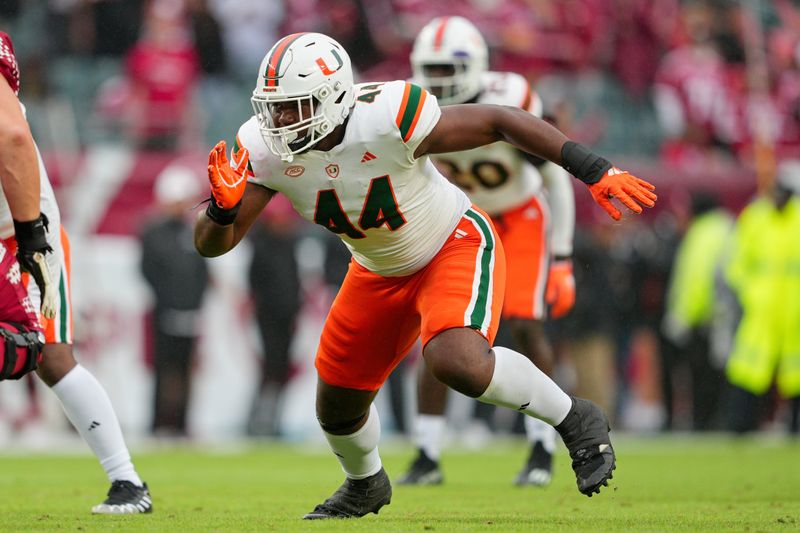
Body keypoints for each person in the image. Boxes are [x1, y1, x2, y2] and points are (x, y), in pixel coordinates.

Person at [194, 32, 656, 519]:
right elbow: (213, 246)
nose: (280, 120)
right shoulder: (264, 148)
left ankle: (574, 418)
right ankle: (365, 484)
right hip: (375, 268)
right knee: (336, 405)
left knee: (455, 358)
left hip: (449, 243)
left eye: (294, 106)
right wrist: (221, 213)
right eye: (275, 107)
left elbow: (500, 121)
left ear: (332, 96)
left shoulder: (387, 114)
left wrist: (594, 169)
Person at [396, 16, 577, 488]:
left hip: (518, 215)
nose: (438, 80)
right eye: (429, 69)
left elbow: (554, 174)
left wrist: (562, 258)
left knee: (523, 322)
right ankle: (426, 452)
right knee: (438, 333)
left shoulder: (510, 95)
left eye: (447, 68)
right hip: (457, 217)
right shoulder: (409, 103)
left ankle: (541, 444)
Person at [0, 31, 152, 514]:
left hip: (15, 224)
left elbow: (13, 137)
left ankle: (127, 480)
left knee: (45, 353)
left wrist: (28, 235)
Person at [724, 160, 800, 434]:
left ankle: (794, 428)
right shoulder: (756, 217)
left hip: (794, 311)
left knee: (795, 372)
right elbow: (735, 262)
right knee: (748, 368)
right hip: (762, 309)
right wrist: (750, 293)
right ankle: (739, 427)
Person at [140, 163, 208, 438]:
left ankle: (181, 424)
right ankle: (158, 423)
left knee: (186, 369)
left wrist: (195, 303)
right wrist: (168, 301)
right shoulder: (154, 232)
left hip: (190, 312)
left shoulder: (193, 232)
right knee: (163, 368)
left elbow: (203, 271)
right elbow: (149, 271)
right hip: (164, 311)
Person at [660, 192, 733, 431]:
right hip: (724, 315)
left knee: (703, 378)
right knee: (718, 375)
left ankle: (705, 425)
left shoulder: (703, 234)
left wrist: (683, 316)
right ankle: (715, 422)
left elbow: (697, 281)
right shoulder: (725, 228)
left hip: (705, 320)